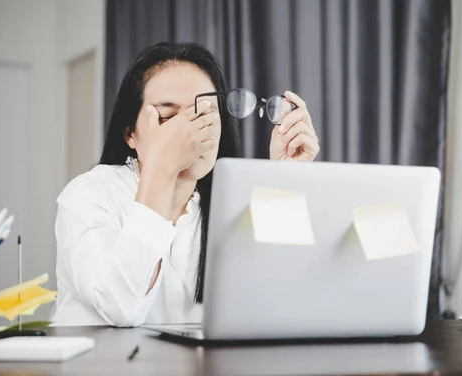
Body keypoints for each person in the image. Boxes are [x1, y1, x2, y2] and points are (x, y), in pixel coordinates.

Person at [51, 42, 320, 327]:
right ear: (131, 133)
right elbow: (121, 308)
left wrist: (285, 179)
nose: (189, 132)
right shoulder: (89, 195)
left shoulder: (229, 208)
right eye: (168, 115)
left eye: (205, 114)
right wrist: (161, 167)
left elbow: (280, 305)